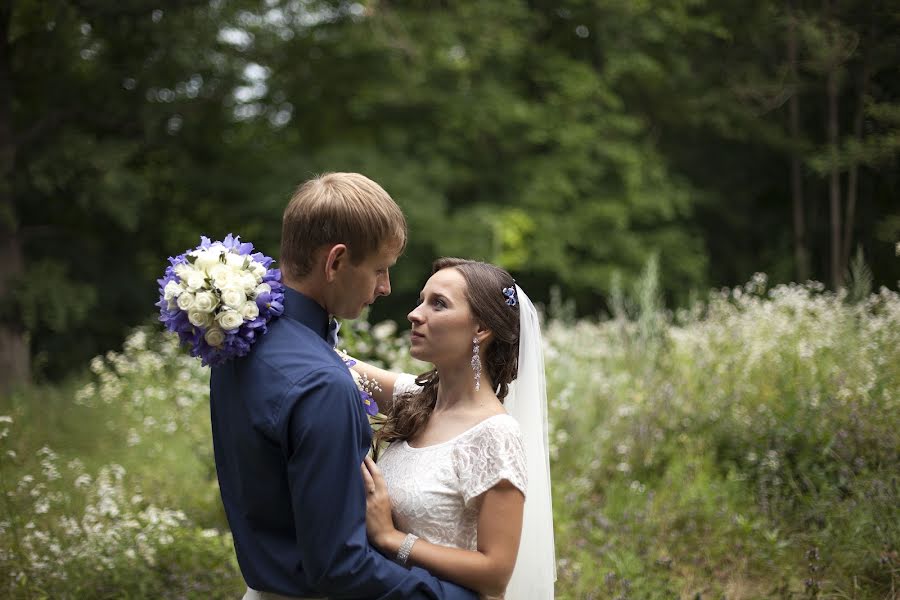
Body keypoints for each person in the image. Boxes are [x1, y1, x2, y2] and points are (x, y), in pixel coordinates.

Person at [209, 173, 478, 600]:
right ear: (335, 262)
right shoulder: (324, 385)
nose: (386, 288)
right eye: (379, 270)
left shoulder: (235, 337)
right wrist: (450, 597)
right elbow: (340, 566)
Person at [351, 258, 556, 599]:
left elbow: (495, 573)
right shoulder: (417, 399)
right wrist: (249, 299)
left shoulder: (495, 435)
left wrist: (392, 539)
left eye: (439, 304)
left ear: (480, 330)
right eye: (421, 300)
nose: (415, 314)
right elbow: (337, 365)